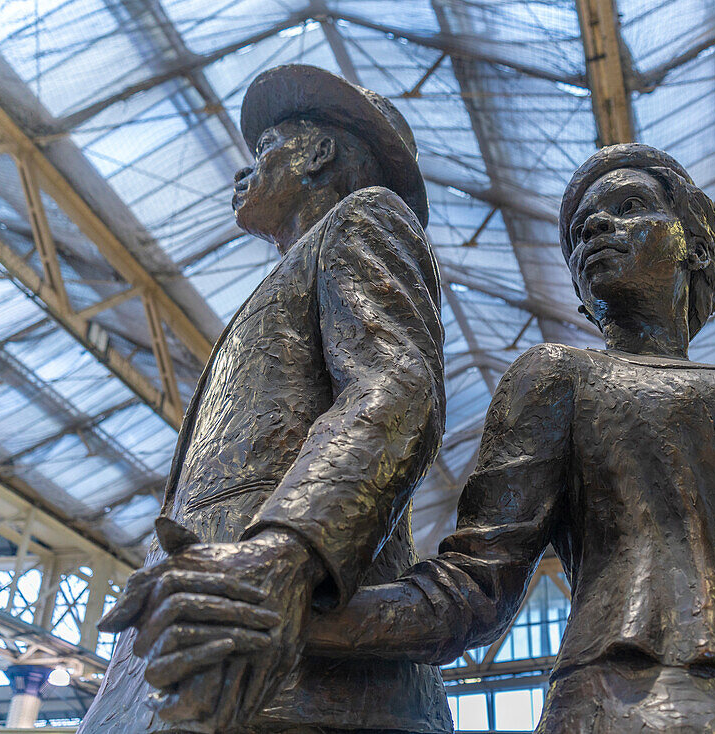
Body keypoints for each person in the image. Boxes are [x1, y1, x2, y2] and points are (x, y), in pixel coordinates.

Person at [310, 144, 715, 733]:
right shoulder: (560, 378)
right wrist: (293, 609)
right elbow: (473, 586)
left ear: (696, 248)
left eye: (629, 207)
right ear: (579, 291)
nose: (596, 226)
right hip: (636, 705)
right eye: (580, 231)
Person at [78, 65, 452, 734]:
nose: (241, 172)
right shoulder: (289, 275)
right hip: (205, 642)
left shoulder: (363, 219)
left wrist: (283, 553)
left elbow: (395, 387)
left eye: (265, 148)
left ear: (317, 154)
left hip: (291, 658)